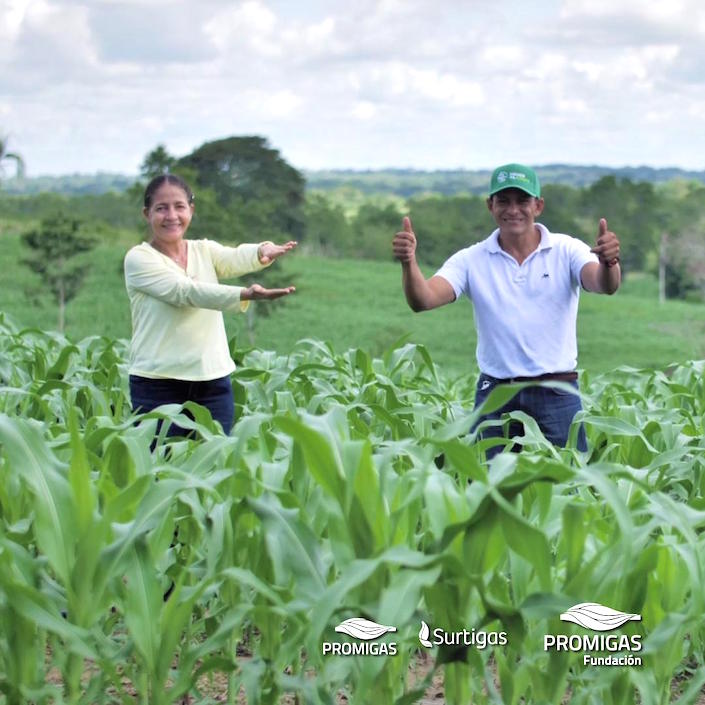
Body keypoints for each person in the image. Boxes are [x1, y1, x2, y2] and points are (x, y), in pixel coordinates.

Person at [392, 163, 620, 458]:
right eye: (504, 201)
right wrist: (409, 262)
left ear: (538, 206)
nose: (513, 209)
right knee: (488, 490)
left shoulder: (567, 250)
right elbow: (423, 299)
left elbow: (603, 283)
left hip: (557, 393)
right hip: (496, 394)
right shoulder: (471, 259)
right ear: (491, 205)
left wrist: (610, 263)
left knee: (570, 487)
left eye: (522, 201)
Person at [124, 173, 296, 438]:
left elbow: (233, 258)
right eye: (161, 208)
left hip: (212, 382)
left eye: (179, 206)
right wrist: (244, 294)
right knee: (163, 470)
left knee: (215, 466)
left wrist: (262, 251)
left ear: (191, 210)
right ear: (146, 213)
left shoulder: (203, 250)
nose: (172, 216)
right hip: (158, 385)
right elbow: (184, 292)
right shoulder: (139, 259)